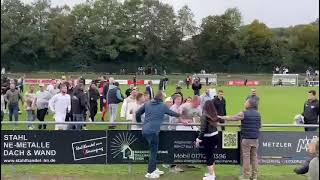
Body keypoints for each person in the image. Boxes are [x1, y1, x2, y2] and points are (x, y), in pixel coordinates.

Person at [136, 91, 182, 179]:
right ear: (161, 98)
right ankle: (150, 172)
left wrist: (140, 123)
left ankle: (153, 168)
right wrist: (181, 114)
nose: (164, 99)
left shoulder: (148, 103)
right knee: (153, 152)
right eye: (164, 97)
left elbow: (138, 113)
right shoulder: (162, 105)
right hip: (153, 132)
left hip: (145, 130)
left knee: (154, 151)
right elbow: (171, 113)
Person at [218, 98, 261, 180]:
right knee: (254, 157)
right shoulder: (258, 114)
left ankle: (246, 177)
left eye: (246, 102)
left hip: (246, 139)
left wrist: (221, 117)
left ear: (249, 104)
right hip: (255, 138)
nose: (245, 103)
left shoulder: (243, 113)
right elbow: (259, 126)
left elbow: (232, 118)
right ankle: (254, 176)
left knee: (246, 158)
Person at [196, 98, 219, 180]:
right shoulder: (214, 114)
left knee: (208, 155)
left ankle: (211, 176)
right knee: (211, 154)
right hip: (215, 135)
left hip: (208, 137)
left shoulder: (204, 115)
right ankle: (212, 173)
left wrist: (198, 139)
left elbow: (203, 129)